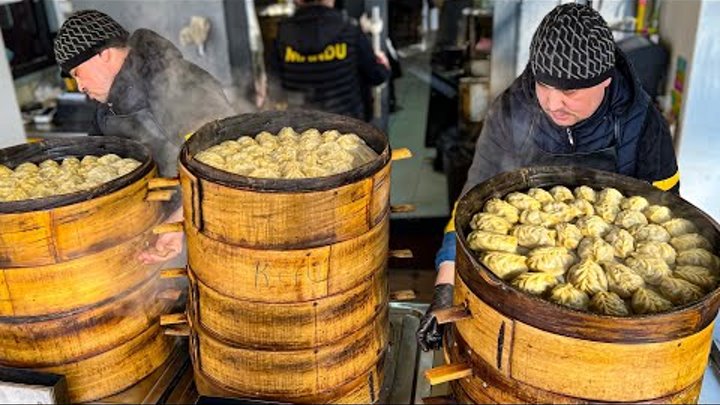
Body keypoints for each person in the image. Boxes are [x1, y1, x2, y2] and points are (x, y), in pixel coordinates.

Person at [416, 3, 680, 351]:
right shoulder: (510, 111)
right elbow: (468, 205)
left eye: (570, 92)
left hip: (608, 329)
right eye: (544, 86)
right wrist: (445, 286)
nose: (553, 103)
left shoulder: (644, 125)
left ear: (605, 81)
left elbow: (664, 226)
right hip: (519, 316)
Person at [53, 10, 236, 264]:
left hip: (216, 232)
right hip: (159, 233)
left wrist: (179, 219)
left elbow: (224, 162)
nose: (80, 86)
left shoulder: (177, 83)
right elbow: (96, 164)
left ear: (102, 54)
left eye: (76, 73)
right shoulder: (106, 109)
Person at [269, 0, 390, 121]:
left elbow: (274, 85)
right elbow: (376, 76)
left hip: (300, 127)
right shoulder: (349, 29)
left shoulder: (281, 34)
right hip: (347, 127)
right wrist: (384, 66)